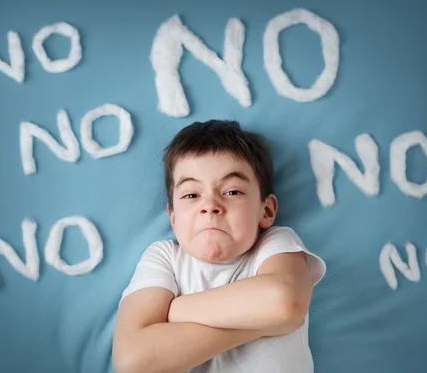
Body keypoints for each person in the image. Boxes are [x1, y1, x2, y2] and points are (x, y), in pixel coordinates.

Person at [112, 119, 326, 373]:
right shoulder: (164, 257)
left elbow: (285, 303)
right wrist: (266, 322)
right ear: (173, 217)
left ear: (266, 210)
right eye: (191, 195)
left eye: (232, 191)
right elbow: (133, 361)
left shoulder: (275, 244)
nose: (210, 205)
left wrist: (174, 311)